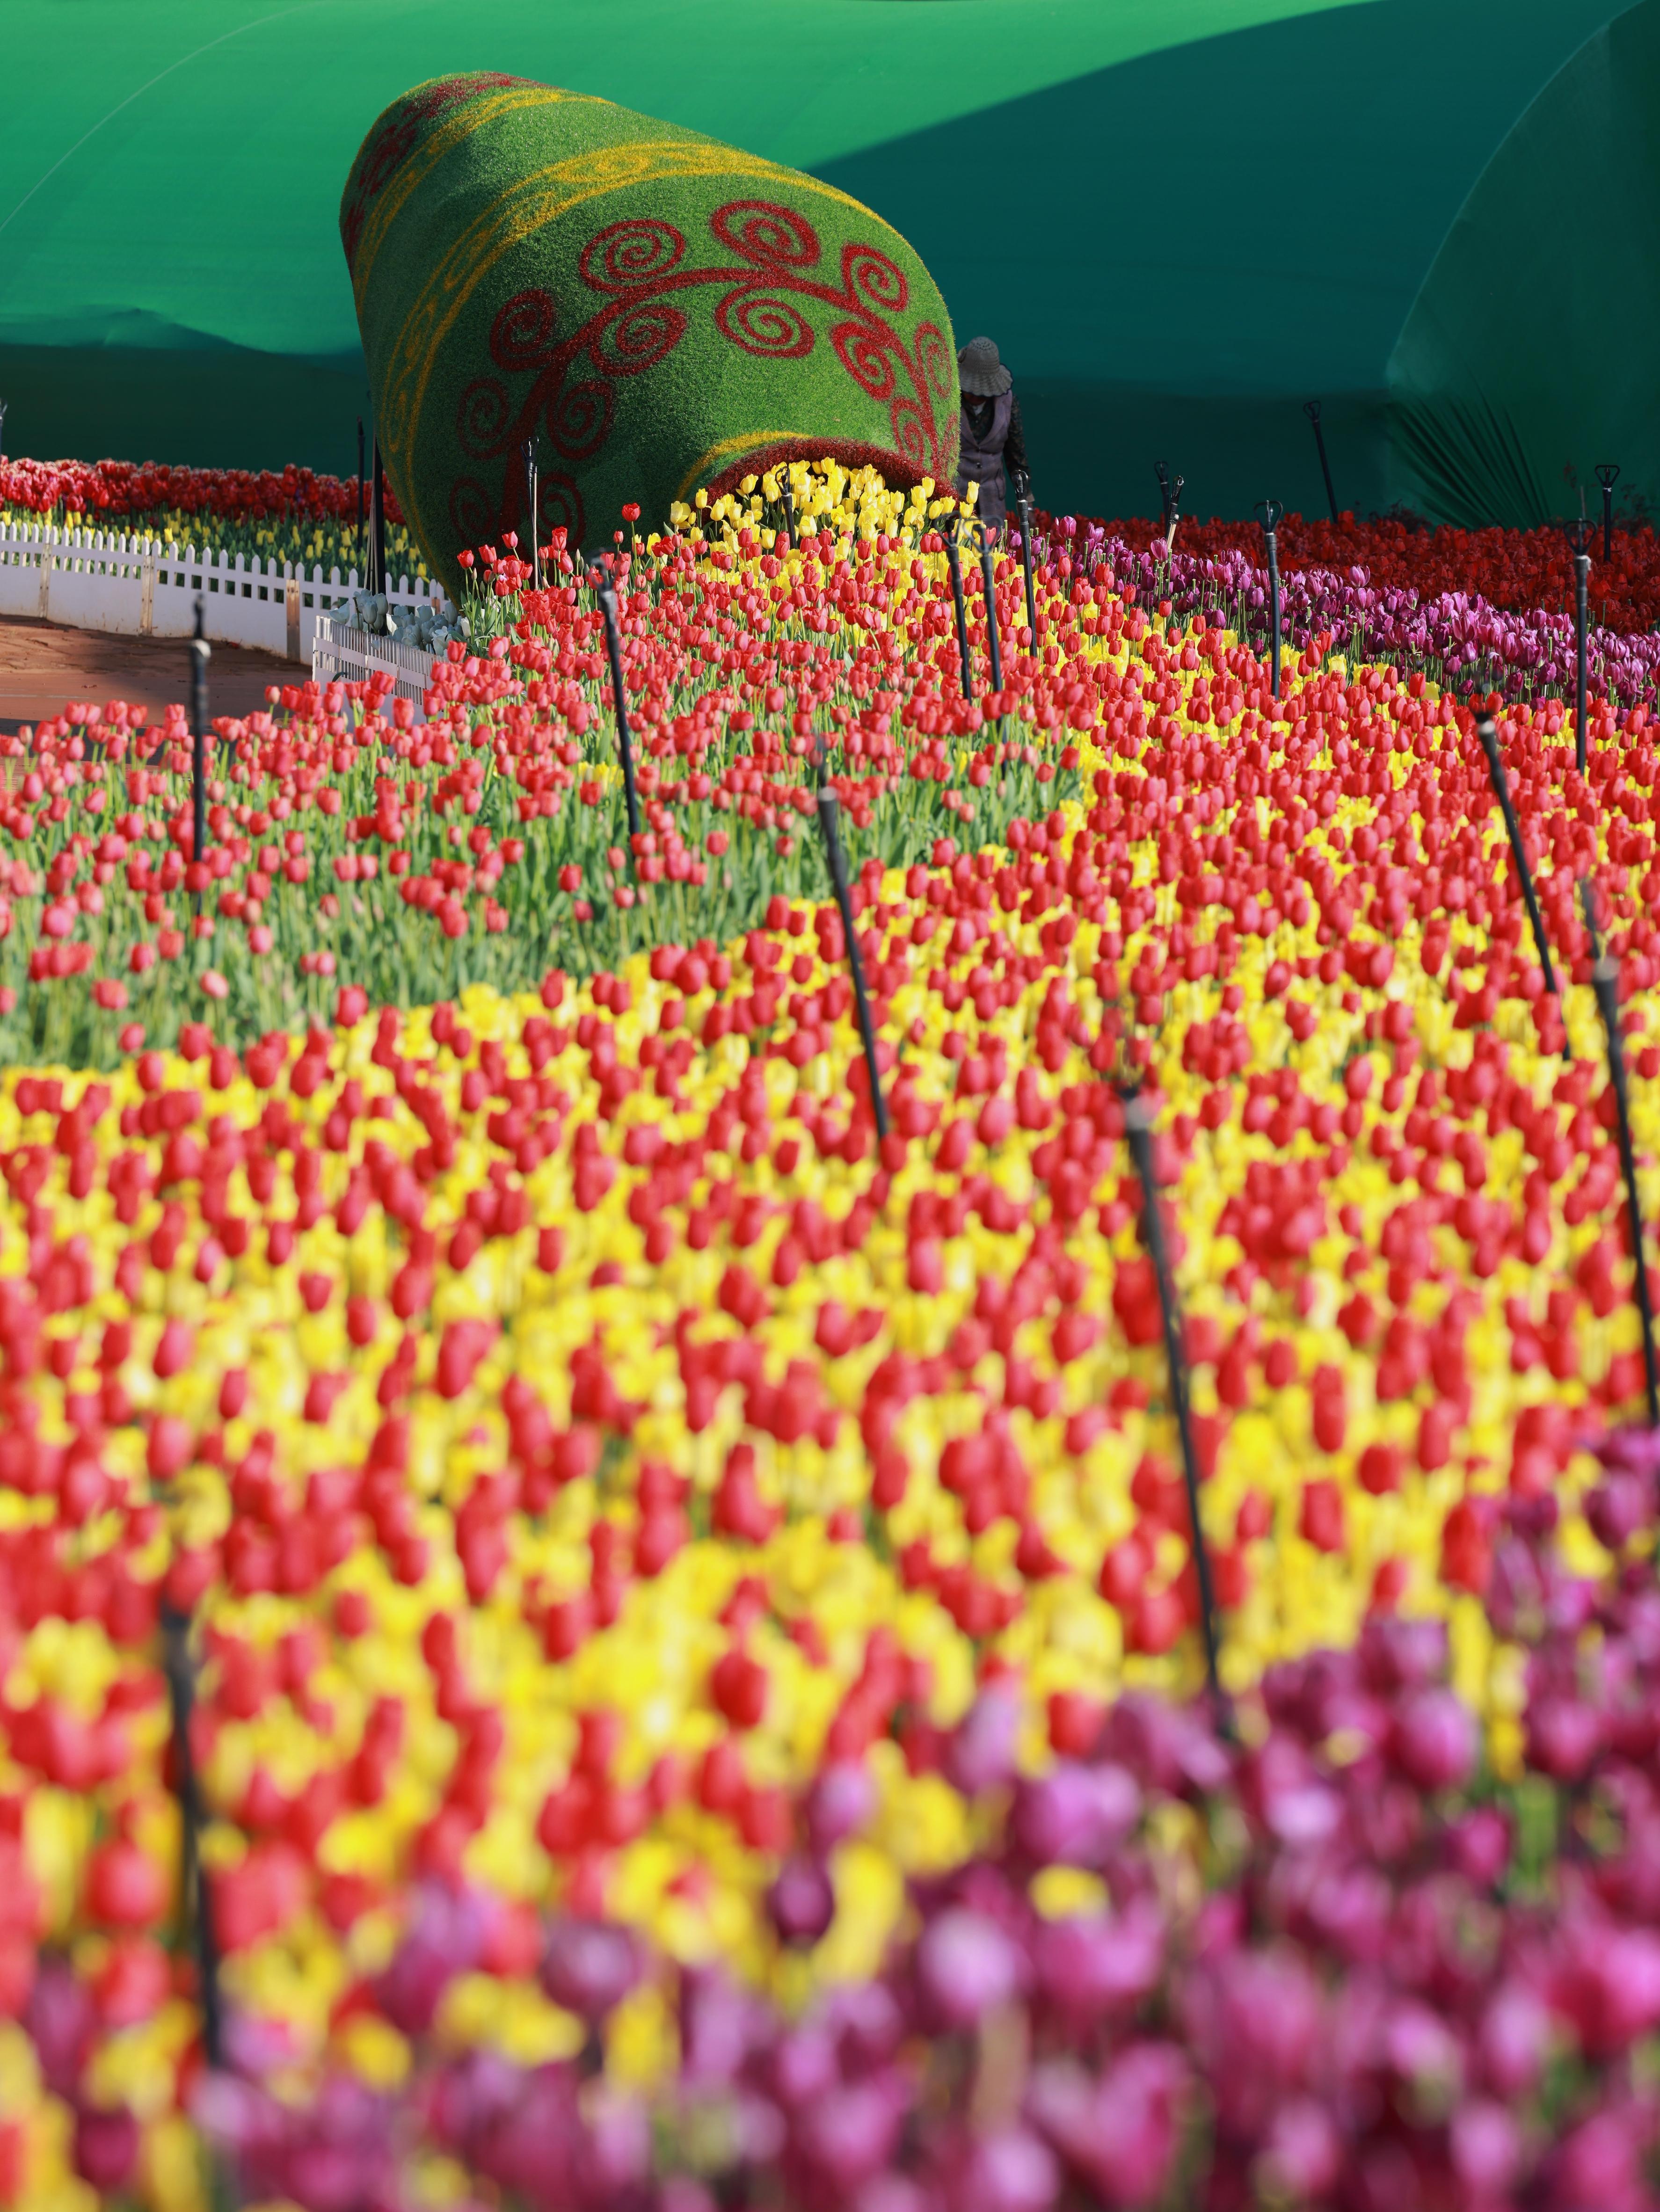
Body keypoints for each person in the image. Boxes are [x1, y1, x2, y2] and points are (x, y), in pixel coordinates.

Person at [954, 336, 1028, 534]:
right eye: (971, 390)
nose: (976, 396)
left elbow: (1017, 458)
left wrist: (1027, 501)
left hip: (992, 503)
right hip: (954, 501)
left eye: (982, 391)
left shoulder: (1008, 404)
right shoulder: (949, 402)